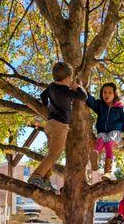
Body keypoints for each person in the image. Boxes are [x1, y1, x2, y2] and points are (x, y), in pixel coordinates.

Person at [28, 62, 87, 191]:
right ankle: (36, 176)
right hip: (60, 126)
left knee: (51, 153)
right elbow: (84, 96)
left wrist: (47, 107)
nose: (71, 80)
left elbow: (42, 96)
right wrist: (78, 87)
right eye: (70, 78)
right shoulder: (65, 90)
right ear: (67, 79)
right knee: (54, 154)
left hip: (49, 124)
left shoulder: (51, 87)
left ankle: (45, 178)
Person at [86, 82, 124, 180]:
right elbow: (92, 102)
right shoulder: (100, 105)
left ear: (114, 94)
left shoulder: (119, 108)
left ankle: (108, 172)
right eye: (104, 92)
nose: (106, 95)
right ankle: (95, 154)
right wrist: (84, 92)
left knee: (108, 144)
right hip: (102, 131)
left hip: (114, 132)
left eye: (109, 93)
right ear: (101, 93)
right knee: (100, 140)